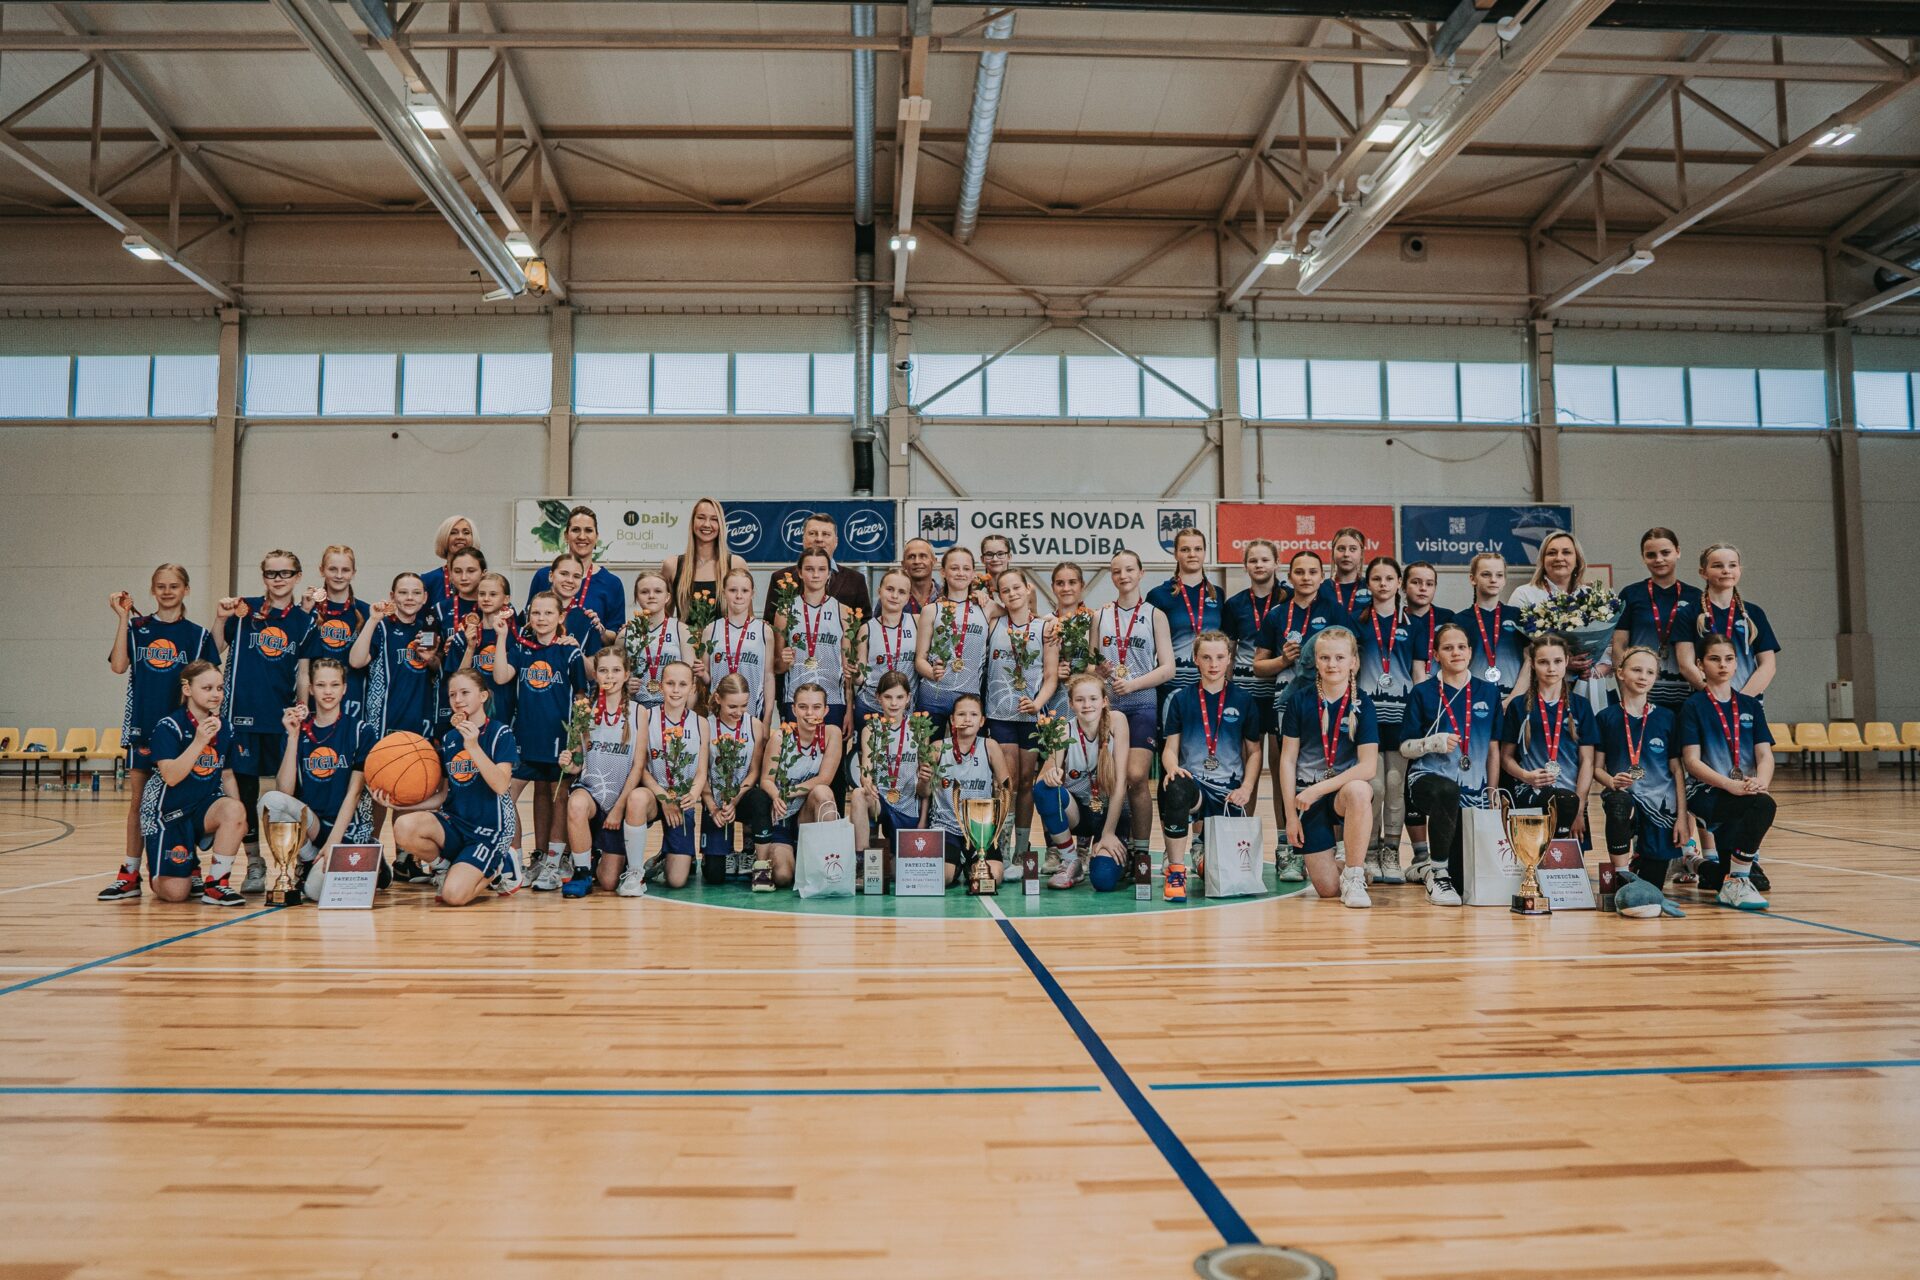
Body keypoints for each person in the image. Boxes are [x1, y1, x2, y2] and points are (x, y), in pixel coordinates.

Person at [99, 565, 218, 903]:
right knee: (138, 802)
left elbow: (210, 683)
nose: (167, 592)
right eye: (161, 586)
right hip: (144, 727)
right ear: (152, 590)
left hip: (185, 732)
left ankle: (189, 867)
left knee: (186, 800)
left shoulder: (197, 635)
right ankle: (130, 873)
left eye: (174, 586)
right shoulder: (138, 628)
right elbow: (118, 666)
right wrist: (123, 617)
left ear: (186, 590)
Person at [214, 550, 314, 894]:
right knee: (244, 793)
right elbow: (214, 648)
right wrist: (220, 618)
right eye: (272, 573)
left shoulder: (303, 620)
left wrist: (303, 708)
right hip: (241, 718)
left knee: (291, 793)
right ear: (263, 577)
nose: (278, 579)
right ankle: (254, 863)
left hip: (281, 719)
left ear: (297, 576)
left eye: (285, 573)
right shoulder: (244, 610)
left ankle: (296, 862)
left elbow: (303, 672)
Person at [1253, 550, 1351, 880]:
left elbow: (1353, 655)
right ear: (1290, 575)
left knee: (1331, 767)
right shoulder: (1277, 615)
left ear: (1323, 576)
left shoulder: (1335, 611)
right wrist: (1283, 660)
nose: (1306, 577)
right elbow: (1258, 666)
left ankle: (1335, 846)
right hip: (1288, 704)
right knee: (1287, 771)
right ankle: (1287, 847)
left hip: (1330, 703)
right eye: (1299, 571)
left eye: (1312, 572)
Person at [388, 668, 519, 906]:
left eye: (465, 693)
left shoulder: (500, 733)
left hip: (488, 831)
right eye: (452, 694)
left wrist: (473, 746)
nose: (458, 700)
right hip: (456, 823)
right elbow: (444, 794)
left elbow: (501, 785)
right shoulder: (449, 738)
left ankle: (499, 866)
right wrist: (400, 803)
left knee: (453, 897)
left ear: (483, 696)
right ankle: (444, 867)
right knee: (404, 826)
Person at [259, 658, 380, 899]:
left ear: (344, 689)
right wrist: (293, 737)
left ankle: (376, 862)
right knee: (269, 801)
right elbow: (284, 791)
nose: (328, 691)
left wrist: (333, 842)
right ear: (311, 689)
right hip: (313, 824)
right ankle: (306, 859)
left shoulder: (361, 731)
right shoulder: (298, 730)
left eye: (334, 685)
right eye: (321, 685)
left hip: (347, 828)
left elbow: (354, 792)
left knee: (315, 892)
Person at [495, 589, 591, 885]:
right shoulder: (521, 648)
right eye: (536, 612)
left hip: (559, 741)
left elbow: (581, 697)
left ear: (561, 617)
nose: (541, 618)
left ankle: (553, 862)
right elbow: (500, 676)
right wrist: (501, 637)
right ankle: (515, 862)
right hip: (525, 738)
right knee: (504, 796)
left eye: (549, 612)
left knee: (559, 797)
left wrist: (577, 741)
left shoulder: (569, 652)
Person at [1400, 622, 1500, 906]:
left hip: (1474, 788)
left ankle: (1429, 868)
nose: (1456, 652)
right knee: (1447, 791)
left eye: (1461, 647)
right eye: (1447, 648)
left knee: (1465, 879)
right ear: (1435, 655)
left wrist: (1492, 791)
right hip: (1427, 778)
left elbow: (1493, 748)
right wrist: (1431, 743)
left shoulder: (1489, 692)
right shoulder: (1423, 692)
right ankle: (1438, 873)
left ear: (1470, 651)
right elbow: (1404, 748)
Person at [1278, 627, 1378, 908]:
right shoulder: (1299, 701)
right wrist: (1290, 817)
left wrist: (1320, 788)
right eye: (1324, 658)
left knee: (1360, 790)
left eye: (1339, 657)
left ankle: (1355, 875)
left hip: (1340, 793)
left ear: (1353, 662)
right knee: (1327, 889)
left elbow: (1368, 767)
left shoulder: (1363, 704)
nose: (1332, 664)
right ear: (1316, 662)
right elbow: (1287, 760)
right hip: (1306, 798)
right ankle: (1348, 866)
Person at [136, 660, 248, 905]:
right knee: (176, 894)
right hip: (169, 813)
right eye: (207, 688)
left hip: (203, 806)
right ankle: (169, 865)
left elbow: (227, 774)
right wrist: (199, 741)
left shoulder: (225, 727)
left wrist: (238, 819)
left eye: (219, 688)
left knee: (234, 810)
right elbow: (171, 777)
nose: (215, 694)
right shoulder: (169, 726)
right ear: (187, 689)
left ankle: (217, 885)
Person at [1677, 634, 1777, 910]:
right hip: (1707, 791)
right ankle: (1738, 880)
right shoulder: (1693, 706)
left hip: (1742, 790)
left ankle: (1695, 863)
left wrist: (1761, 782)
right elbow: (1692, 761)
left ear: (1736, 664)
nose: (1723, 665)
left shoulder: (1750, 705)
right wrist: (1728, 785)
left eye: (1729, 659)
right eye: (1714, 659)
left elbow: (1764, 754)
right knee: (1763, 806)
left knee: (1722, 874)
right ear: (1700, 664)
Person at [1157, 632, 1257, 894]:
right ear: (1195, 659)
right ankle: (1176, 872)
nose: (1213, 664)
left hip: (1227, 793)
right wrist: (1172, 768)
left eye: (1220, 657)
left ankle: (1201, 851)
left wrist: (1246, 787)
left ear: (1229, 659)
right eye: (1206, 657)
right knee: (1174, 785)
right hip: (1195, 787)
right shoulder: (1181, 699)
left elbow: (1255, 752)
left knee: (1220, 876)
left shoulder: (1244, 699)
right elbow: (1170, 749)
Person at [1094, 549, 1175, 874]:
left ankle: (1141, 851)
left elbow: (1168, 668)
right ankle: (1116, 842)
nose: (1123, 576)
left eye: (1129, 569)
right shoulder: (1100, 616)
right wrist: (1098, 671)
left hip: (1142, 703)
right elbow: (1089, 666)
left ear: (1141, 573)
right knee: (1110, 778)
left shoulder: (1155, 615)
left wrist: (1135, 684)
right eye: (1117, 571)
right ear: (1111, 576)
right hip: (1109, 706)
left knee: (1137, 776)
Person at [549, 647, 647, 898]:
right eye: (603, 670)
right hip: (592, 793)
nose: (609, 676)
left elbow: (638, 766)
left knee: (609, 882)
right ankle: (582, 871)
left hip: (618, 799)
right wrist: (567, 763)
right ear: (595, 674)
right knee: (576, 803)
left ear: (626, 675)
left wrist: (619, 808)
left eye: (616, 670)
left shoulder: (640, 713)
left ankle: (603, 854)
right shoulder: (585, 711)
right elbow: (577, 764)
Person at [1595, 646, 1689, 892]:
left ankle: (1640, 864)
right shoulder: (1606, 717)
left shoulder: (1667, 718)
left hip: (1661, 805)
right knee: (1618, 802)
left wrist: (1682, 817)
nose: (1643, 676)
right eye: (1636, 670)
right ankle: (1621, 874)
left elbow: (1677, 770)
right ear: (1620, 672)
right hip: (1625, 797)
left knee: (1651, 887)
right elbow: (1596, 768)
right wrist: (1611, 781)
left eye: (1650, 672)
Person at [984, 567, 1058, 871]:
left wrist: (1037, 703)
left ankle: (1022, 848)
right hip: (999, 714)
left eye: (1017, 587)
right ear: (999, 596)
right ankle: (1001, 846)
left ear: (1028, 589)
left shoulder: (1046, 628)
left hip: (1031, 716)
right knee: (1007, 781)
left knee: (1027, 781)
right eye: (1005, 590)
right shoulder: (993, 623)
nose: (1012, 594)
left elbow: (1051, 677)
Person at [1033, 672, 1130, 889]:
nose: (1087, 705)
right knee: (1043, 790)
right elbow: (1043, 780)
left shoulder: (1117, 721)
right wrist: (1050, 775)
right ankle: (1070, 860)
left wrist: (1108, 833)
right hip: (1079, 814)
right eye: (1080, 700)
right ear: (1071, 704)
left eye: (1093, 699)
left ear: (1104, 701)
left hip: (1110, 815)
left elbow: (1120, 783)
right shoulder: (1063, 730)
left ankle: (1123, 853)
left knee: (1103, 880)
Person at [1500, 632, 1597, 839]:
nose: (1551, 668)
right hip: (1530, 796)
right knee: (1532, 856)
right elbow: (1505, 758)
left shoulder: (1581, 706)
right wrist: (1526, 776)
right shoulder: (1518, 706)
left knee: (1567, 858)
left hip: (1572, 799)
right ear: (1533, 664)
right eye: (1543, 662)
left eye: (1557, 661)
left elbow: (1587, 761)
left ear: (1567, 661)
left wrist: (1579, 808)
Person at [1355, 556, 1415, 884]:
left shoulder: (1412, 625)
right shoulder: (1357, 622)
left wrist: (1420, 715)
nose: (1383, 584)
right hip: (1368, 716)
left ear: (1398, 583)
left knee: (1394, 785)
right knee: (1374, 786)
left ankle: (1391, 851)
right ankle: (1369, 851)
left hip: (1402, 716)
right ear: (1368, 584)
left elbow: (1419, 674)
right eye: (1376, 578)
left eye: (1389, 578)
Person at [752, 684, 843, 889]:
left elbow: (824, 778)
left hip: (808, 815)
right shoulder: (780, 737)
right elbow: (766, 780)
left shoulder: (832, 733)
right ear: (793, 709)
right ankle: (785, 856)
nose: (810, 713)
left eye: (816, 707)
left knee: (823, 793)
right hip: (783, 815)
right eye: (803, 707)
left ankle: (829, 865)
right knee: (783, 877)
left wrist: (787, 792)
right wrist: (776, 796)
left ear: (826, 710)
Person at [1508, 530, 1610, 706]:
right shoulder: (1525, 594)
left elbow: (1608, 646)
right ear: (1542, 560)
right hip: (1538, 686)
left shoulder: (1592, 596)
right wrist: (1561, 662)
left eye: (1566, 552)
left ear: (1577, 560)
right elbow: (1515, 645)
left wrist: (1594, 667)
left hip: (1586, 686)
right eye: (1552, 553)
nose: (1559, 558)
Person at [633, 660, 708, 890]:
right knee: (637, 799)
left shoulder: (701, 723)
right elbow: (641, 767)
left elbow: (701, 772)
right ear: (660, 686)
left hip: (681, 800)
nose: (676, 690)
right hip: (654, 795)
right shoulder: (645, 717)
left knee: (676, 881)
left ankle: (666, 854)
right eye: (670, 683)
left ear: (692, 688)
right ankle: (633, 870)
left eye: (682, 684)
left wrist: (693, 794)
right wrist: (663, 798)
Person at [1610, 527, 1701, 713]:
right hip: (1641, 692)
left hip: (1687, 693)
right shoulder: (1631, 594)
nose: (1659, 559)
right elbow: (1619, 646)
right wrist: (1625, 691)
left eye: (1665, 553)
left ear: (1678, 552)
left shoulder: (1695, 596)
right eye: (1651, 555)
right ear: (1643, 558)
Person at [1674, 542, 1779, 703]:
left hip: (1748, 702)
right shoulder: (1688, 613)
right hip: (1707, 702)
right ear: (1703, 572)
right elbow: (1686, 665)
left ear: (1739, 570)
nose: (1726, 570)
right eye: (1717, 566)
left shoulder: (1754, 613)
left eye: (1732, 565)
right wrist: (1717, 698)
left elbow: (1768, 665)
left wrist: (1742, 699)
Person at [925, 693, 1010, 889]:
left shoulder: (990, 746)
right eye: (961, 714)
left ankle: (971, 865)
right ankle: (956, 867)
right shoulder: (937, 748)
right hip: (946, 827)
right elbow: (924, 793)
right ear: (952, 720)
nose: (967, 719)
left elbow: (1006, 788)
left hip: (981, 828)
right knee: (941, 878)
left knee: (993, 877)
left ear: (982, 721)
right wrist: (923, 779)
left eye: (973, 714)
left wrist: (996, 826)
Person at [1400, 559, 1451, 879]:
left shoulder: (1448, 619)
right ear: (1404, 586)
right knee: (1408, 779)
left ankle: (1445, 853)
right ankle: (1420, 855)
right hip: (1403, 708)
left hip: (1443, 707)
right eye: (1416, 582)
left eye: (1429, 583)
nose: (1422, 588)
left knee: (1439, 775)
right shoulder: (1395, 618)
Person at [845, 672, 919, 883]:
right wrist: (867, 781)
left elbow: (925, 785)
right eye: (888, 697)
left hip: (907, 805)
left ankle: (892, 856)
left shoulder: (919, 728)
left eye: (899, 697)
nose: (894, 703)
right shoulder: (871, 729)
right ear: (878, 698)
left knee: (897, 875)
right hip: (881, 801)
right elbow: (866, 768)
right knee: (859, 794)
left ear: (908, 698)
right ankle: (862, 862)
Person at [914, 546, 991, 735]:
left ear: (973, 573)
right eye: (954, 568)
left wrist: (1049, 622)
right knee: (929, 751)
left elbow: (1018, 613)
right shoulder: (931, 610)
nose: (960, 573)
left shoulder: (986, 607)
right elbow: (919, 660)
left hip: (969, 699)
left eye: (966, 568)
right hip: (933, 696)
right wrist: (932, 672)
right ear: (943, 572)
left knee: (968, 751)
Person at [774, 548, 854, 728]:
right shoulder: (785, 611)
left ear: (829, 573)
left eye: (821, 569)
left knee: (832, 746)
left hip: (833, 699)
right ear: (800, 573)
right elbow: (777, 667)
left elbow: (847, 667)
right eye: (809, 569)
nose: (816, 575)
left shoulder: (843, 612)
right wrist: (784, 661)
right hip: (795, 699)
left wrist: (849, 709)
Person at [705, 673, 770, 884]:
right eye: (732, 706)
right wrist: (712, 807)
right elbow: (701, 773)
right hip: (715, 802)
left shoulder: (755, 725)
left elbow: (754, 771)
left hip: (742, 796)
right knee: (714, 877)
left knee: (760, 797)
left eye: (744, 706)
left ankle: (759, 863)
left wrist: (734, 800)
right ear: (718, 699)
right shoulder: (705, 725)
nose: (739, 712)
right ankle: (725, 852)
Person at [1146, 526, 1222, 704]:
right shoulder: (1159, 595)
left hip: (1211, 682)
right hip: (1172, 684)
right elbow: (1148, 647)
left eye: (1198, 549)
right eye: (1185, 549)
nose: (1192, 554)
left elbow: (1225, 644)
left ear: (1204, 553)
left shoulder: (1217, 594)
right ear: (1175, 554)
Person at [299, 545, 369, 721]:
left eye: (345, 570)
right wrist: (303, 613)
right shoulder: (308, 608)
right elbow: (298, 662)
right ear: (321, 570)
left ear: (353, 573)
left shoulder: (366, 612)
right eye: (332, 569)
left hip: (353, 699)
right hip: (314, 699)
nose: (339, 575)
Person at [527, 505, 625, 628]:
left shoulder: (612, 583)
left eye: (588, 530)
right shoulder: (543, 576)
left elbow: (617, 634)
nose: (582, 536)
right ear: (566, 536)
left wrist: (599, 631)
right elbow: (528, 621)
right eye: (576, 530)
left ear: (596, 537)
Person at [763, 512, 872, 623]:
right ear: (803, 539)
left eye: (826, 534)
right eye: (812, 533)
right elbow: (770, 624)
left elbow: (864, 624)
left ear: (836, 541)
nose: (819, 539)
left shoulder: (855, 580)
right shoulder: (780, 578)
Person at [696, 567, 772, 725]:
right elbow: (707, 679)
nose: (739, 596)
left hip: (752, 713)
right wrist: (702, 674)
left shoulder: (764, 631)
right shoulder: (711, 630)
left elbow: (768, 677)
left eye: (745, 590)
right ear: (723, 593)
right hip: (718, 713)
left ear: (752, 594)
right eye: (732, 590)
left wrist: (767, 720)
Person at [854, 568, 920, 739]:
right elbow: (860, 677)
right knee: (868, 754)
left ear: (908, 597)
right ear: (879, 591)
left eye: (901, 592)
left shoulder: (917, 622)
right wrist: (853, 672)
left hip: (904, 708)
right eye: (890, 589)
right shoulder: (866, 629)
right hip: (871, 705)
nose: (894, 596)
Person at [662, 496, 740, 618]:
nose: (707, 524)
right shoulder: (672, 566)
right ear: (693, 522)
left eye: (714, 519)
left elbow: (748, 618)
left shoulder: (736, 564)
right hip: (684, 632)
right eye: (701, 517)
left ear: (721, 524)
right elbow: (664, 619)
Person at [622, 569, 687, 714]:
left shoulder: (681, 631)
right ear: (637, 597)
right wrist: (624, 685)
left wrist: (685, 714)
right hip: (636, 709)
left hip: (673, 709)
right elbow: (617, 674)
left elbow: (691, 680)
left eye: (658, 591)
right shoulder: (625, 633)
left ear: (667, 597)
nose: (651, 596)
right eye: (644, 592)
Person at [1460, 552, 1526, 695]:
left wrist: (1514, 698)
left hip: (1514, 697)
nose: (1493, 580)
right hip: (1473, 697)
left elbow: (1530, 661)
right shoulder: (1459, 620)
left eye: (1499, 575)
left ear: (1505, 580)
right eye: (1486, 574)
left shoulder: (1519, 616)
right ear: (1472, 579)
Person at [546, 553, 611, 657]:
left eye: (576, 576)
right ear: (551, 576)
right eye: (564, 574)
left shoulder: (588, 619)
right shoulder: (533, 612)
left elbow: (593, 666)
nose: (570, 580)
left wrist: (577, 653)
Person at [420, 514, 476, 604]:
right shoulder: (428, 580)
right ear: (444, 538)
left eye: (466, 532)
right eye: (453, 532)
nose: (460, 537)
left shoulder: (486, 581)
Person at [1325, 527, 1372, 616]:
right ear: (1333, 552)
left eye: (1353, 549)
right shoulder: (1321, 588)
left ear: (1361, 554)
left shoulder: (1371, 588)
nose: (1346, 554)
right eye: (1341, 549)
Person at [901, 538, 939, 613]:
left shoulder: (946, 596)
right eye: (911, 557)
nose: (917, 561)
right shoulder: (892, 598)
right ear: (903, 564)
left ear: (934, 561)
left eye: (923, 556)